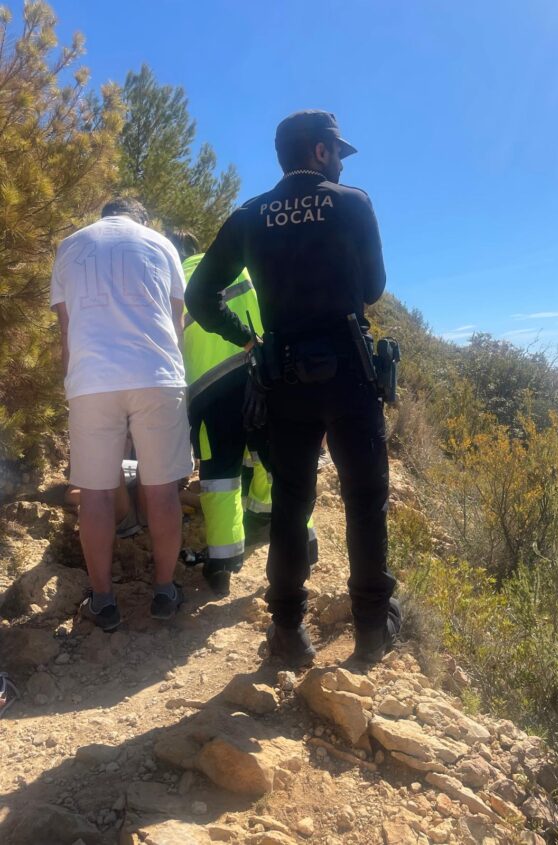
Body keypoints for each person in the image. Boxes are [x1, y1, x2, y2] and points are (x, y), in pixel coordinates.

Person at [185, 110, 400, 666]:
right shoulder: (352, 203)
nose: (338, 161)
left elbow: (199, 297)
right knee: (365, 500)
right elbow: (373, 289)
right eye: (336, 150)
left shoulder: (249, 216)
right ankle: (372, 629)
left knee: (290, 503)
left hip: (282, 376)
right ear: (320, 152)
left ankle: (288, 632)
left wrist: (248, 338)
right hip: (350, 373)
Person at [51, 197, 193, 631]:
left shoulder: (69, 248)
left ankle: (104, 600)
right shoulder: (161, 244)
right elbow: (175, 320)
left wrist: (73, 384)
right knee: (163, 489)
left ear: (104, 217)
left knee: (94, 493)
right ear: (140, 218)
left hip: (92, 378)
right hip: (156, 373)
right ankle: (165, 592)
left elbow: (66, 330)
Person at [167, 230, 316, 596]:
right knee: (279, 462)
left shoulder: (168, 280)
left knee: (219, 475)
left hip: (207, 390)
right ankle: (305, 542)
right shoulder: (231, 265)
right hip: (259, 374)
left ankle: (221, 566)